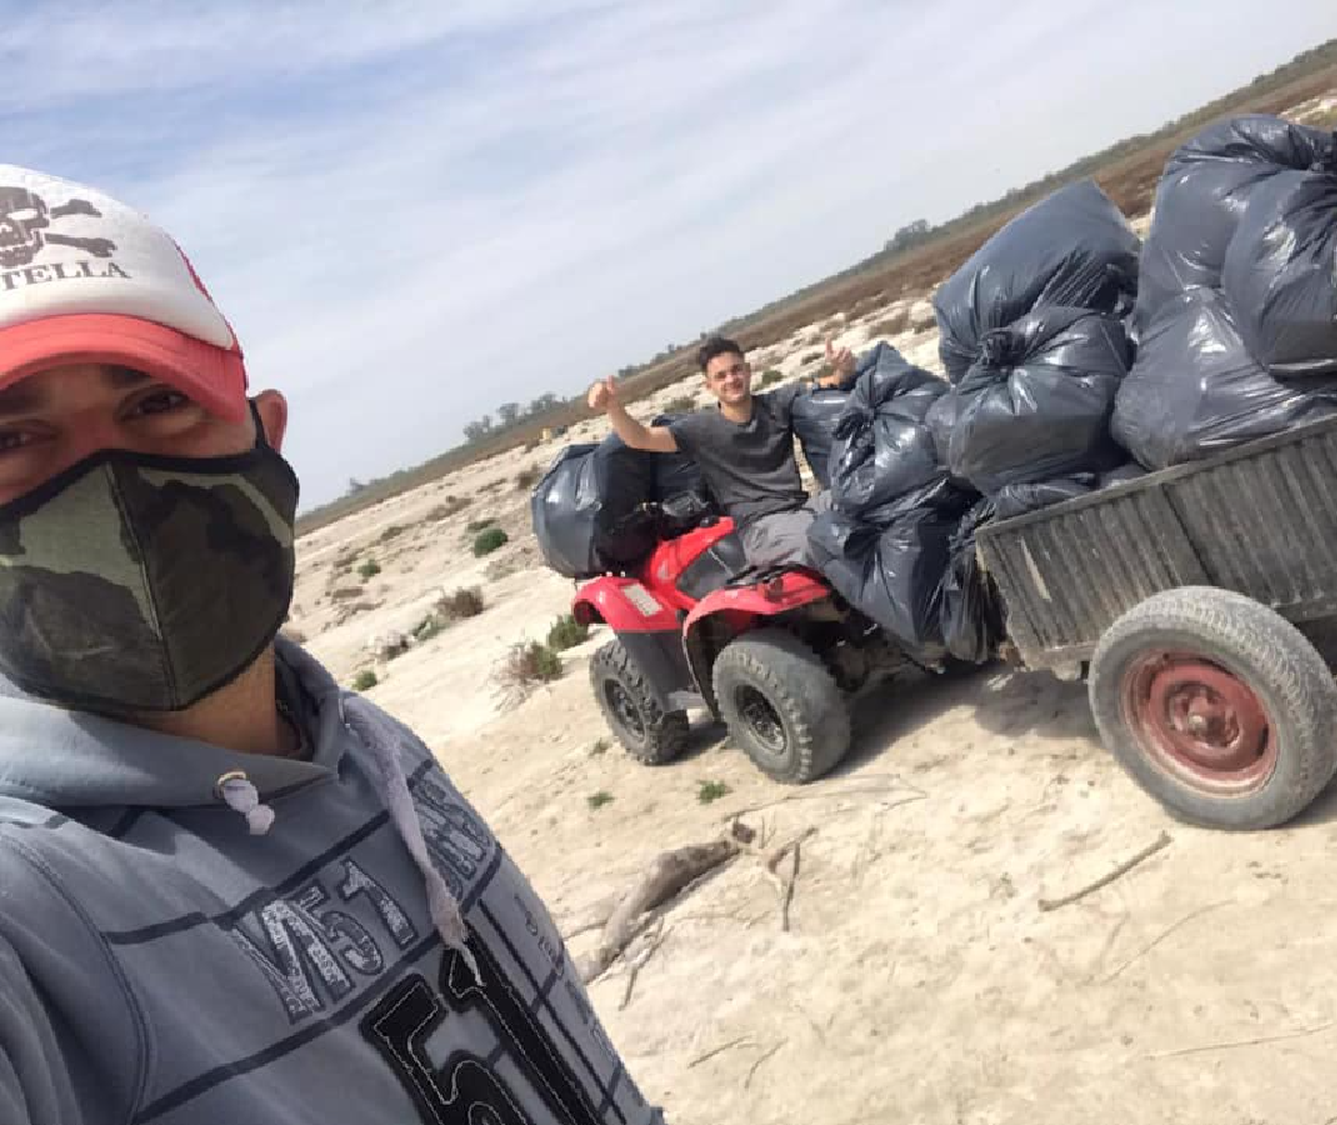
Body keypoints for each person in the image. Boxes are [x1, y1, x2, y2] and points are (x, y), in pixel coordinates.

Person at [0, 164, 662, 1125]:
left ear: (266, 435)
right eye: (13, 438)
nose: (108, 482)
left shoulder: (370, 742)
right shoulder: (35, 915)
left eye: (154, 404)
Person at [587, 334, 855, 569]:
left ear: (749, 371)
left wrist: (844, 368)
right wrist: (612, 406)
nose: (731, 379)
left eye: (736, 370)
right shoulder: (700, 429)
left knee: (863, 502)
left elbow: (828, 382)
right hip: (763, 529)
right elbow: (640, 438)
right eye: (721, 376)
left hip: (803, 507)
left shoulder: (777, 403)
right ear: (709, 386)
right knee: (827, 539)